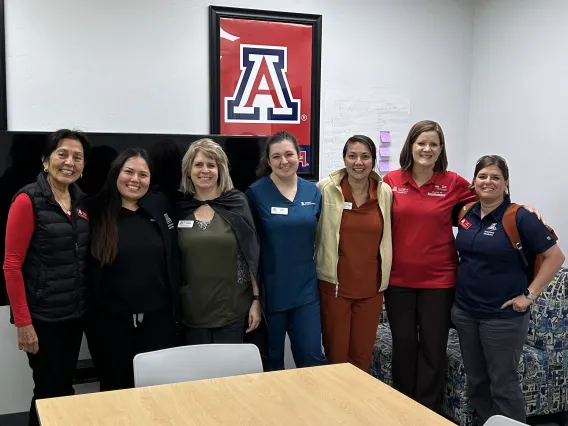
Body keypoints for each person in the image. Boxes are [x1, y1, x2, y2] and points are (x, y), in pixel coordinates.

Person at [451, 155, 565, 424]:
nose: (488, 182)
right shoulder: (465, 212)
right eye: (482, 176)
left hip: (502, 318)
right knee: (477, 381)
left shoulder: (520, 217)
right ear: (474, 181)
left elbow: (555, 257)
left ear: (506, 183)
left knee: (503, 384)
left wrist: (529, 296)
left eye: (495, 177)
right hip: (466, 312)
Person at [382, 120, 477, 410]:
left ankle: (427, 411)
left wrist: (522, 210)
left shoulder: (454, 183)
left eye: (433, 144)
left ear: (440, 149)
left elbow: (490, 204)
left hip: (439, 281)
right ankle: (402, 407)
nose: (427, 149)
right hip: (398, 280)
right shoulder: (391, 181)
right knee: (404, 346)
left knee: (434, 349)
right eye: (421, 142)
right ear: (411, 146)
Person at [2, 129, 91, 426]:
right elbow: (11, 265)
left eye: (77, 157)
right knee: (48, 392)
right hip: (42, 320)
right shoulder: (28, 200)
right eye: (62, 154)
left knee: (64, 388)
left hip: (72, 315)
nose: (69, 162)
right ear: (45, 161)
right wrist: (24, 323)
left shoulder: (81, 201)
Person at [88, 148, 179, 391]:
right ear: (116, 173)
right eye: (128, 172)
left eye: (143, 174)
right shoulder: (94, 210)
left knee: (158, 391)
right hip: (110, 327)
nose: (135, 180)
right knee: (115, 391)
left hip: (158, 323)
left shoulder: (160, 205)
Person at [246, 130, 327, 371]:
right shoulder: (255, 193)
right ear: (268, 161)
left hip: (306, 291)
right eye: (277, 156)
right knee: (271, 364)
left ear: (299, 156)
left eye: (289, 154)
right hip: (271, 291)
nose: (284, 161)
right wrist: (255, 297)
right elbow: (248, 249)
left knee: (312, 359)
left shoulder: (313, 191)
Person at [315, 135, 393, 372]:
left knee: (361, 359)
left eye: (365, 156)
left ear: (373, 161)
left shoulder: (384, 192)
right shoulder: (325, 189)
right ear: (344, 159)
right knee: (336, 358)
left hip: (370, 289)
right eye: (352, 156)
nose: (358, 162)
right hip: (335, 287)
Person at [177, 139, 261, 344]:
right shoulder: (178, 207)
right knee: (198, 374)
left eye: (211, 165)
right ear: (188, 170)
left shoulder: (237, 203)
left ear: (220, 170)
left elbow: (252, 254)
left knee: (230, 374)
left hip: (233, 309)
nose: (204, 170)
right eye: (198, 164)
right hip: (191, 311)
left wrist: (257, 300)